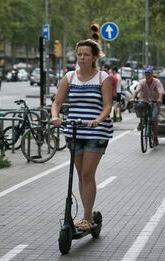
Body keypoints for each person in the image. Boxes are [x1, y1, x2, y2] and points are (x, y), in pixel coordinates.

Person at [51, 39, 114, 231]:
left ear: (94, 57)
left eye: (86, 54)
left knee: (87, 174)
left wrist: (98, 119)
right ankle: (86, 215)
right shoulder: (69, 77)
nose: (82, 58)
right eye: (79, 54)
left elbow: (107, 106)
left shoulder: (102, 77)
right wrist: (55, 116)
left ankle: (87, 218)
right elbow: (57, 103)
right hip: (74, 130)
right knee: (80, 176)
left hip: (96, 131)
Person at [130, 66, 164, 146]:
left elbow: (160, 92)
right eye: (146, 75)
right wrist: (133, 97)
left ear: (152, 75)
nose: (147, 76)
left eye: (149, 74)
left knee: (154, 119)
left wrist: (159, 99)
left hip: (155, 101)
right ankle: (141, 121)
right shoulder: (142, 82)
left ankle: (155, 138)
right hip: (144, 100)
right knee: (138, 106)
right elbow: (137, 90)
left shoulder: (157, 82)